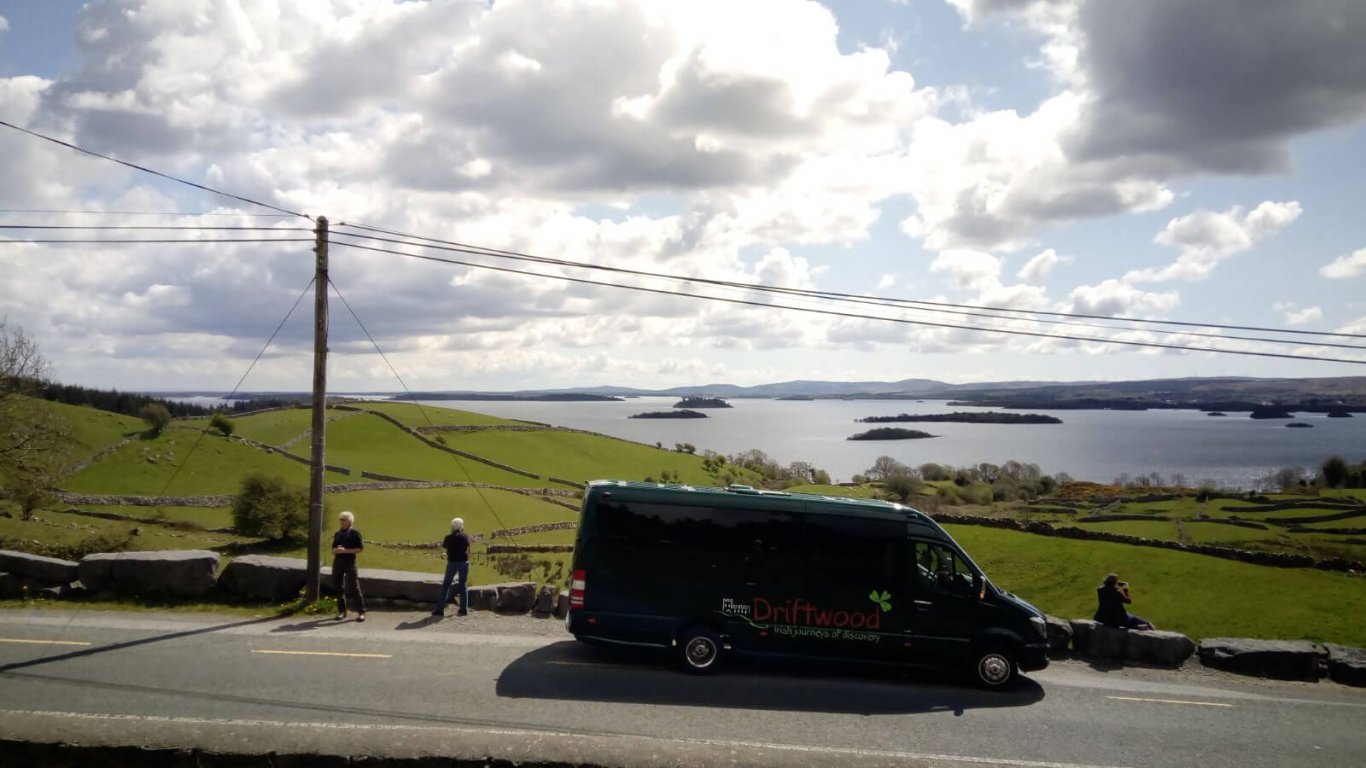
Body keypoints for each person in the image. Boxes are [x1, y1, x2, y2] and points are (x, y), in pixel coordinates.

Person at [432, 517, 471, 617]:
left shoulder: (448, 538)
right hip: (463, 562)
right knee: (463, 585)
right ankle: (463, 609)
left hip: (452, 563)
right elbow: (467, 545)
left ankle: (440, 610)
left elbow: (444, 546)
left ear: (453, 527)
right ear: (461, 526)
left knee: (446, 585)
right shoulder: (465, 536)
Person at [332, 510, 366, 622]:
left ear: (350, 521)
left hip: (350, 563)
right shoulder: (337, 534)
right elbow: (333, 549)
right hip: (338, 562)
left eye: (343, 520)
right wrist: (336, 550)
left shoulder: (355, 533)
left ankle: (361, 612)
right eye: (340, 519)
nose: (341, 522)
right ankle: (342, 611)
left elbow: (360, 549)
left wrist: (345, 551)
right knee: (338, 587)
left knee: (354, 587)